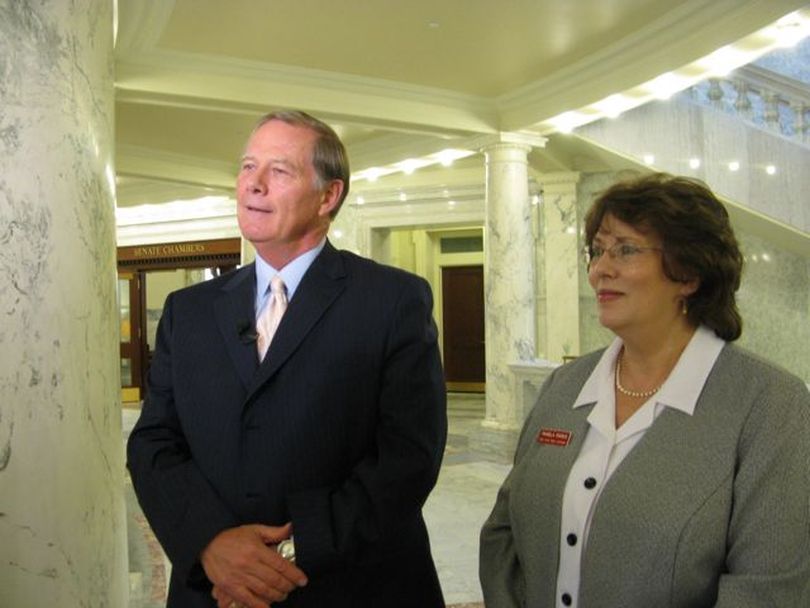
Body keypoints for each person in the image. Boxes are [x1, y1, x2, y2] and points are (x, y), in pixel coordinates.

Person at [127, 110, 447, 608]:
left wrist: (287, 554)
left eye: (278, 171)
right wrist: (212, 543)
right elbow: (154, 444)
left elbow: (408, 458)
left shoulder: (392, 300)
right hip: (213, 590)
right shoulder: (187, 311)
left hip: (346, 588)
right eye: (247, 167)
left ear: (328, 196)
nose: (253, 185)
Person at [480, 172, 810, 607]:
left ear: (689, 272)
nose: (600, 269)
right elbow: (505, 532)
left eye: (627, 250)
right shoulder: (566, 385)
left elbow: (767, 589)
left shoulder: (771, 407)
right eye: (598, 250)